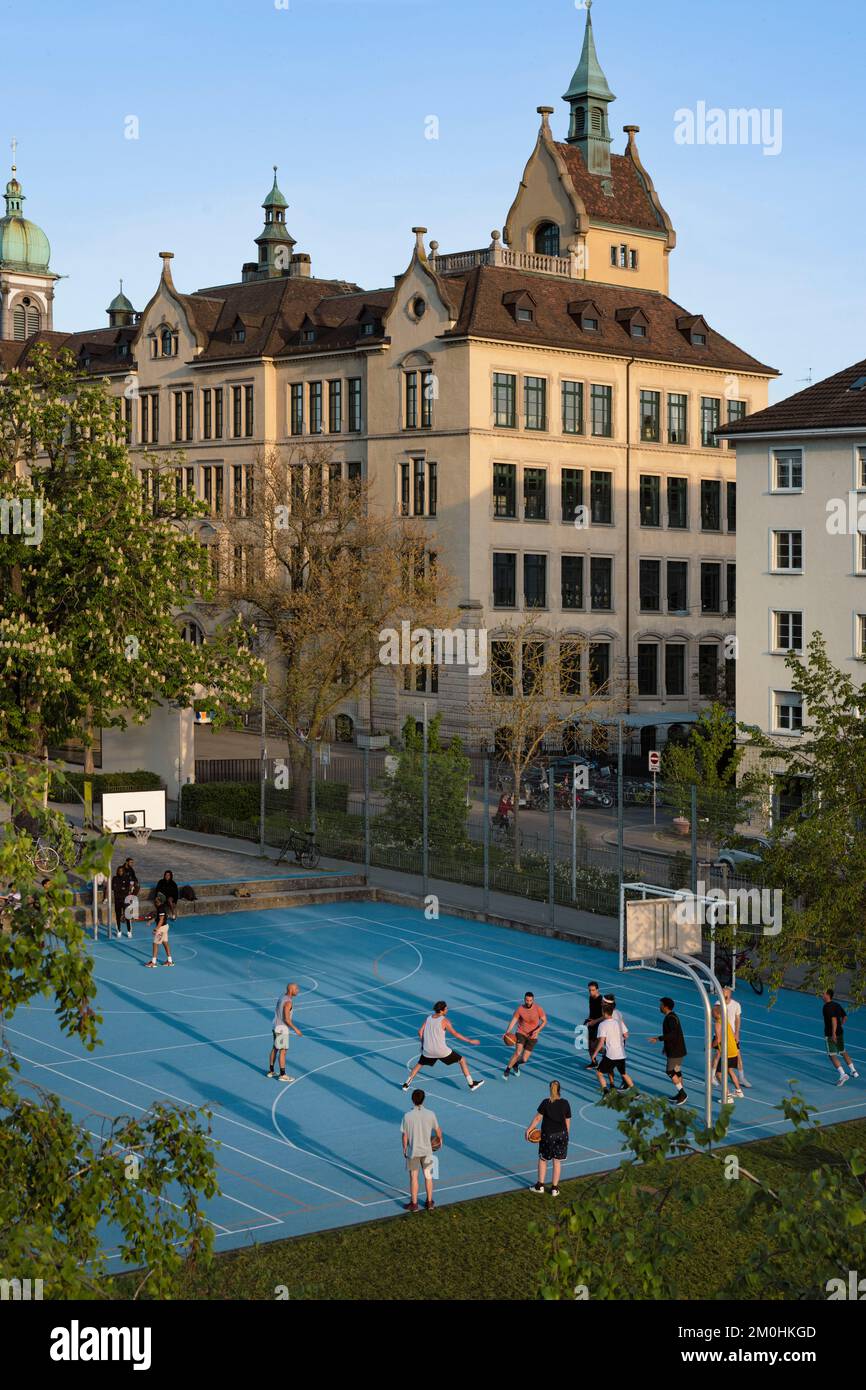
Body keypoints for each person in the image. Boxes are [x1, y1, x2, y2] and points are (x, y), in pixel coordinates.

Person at [402, 1001, 485, 1091]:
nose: (447, 1010)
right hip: (441, 1051)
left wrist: (423, 1044)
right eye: (446, 1008)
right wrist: (469, 1040)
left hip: (428, 1050)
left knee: (419, 1064)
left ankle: (406, 1084)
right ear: (442, 1010)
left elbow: (420, 1032)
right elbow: (455, 1034)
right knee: (462, 1060)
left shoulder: (428, 1018)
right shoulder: (445, 1021)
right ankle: (471, 1084)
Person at [401, 1088, 442, 1212]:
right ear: (423, 1099)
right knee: (428, 1176)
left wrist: (404, 1148)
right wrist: (440, 1140)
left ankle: (414, 1204)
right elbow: (438, 1130)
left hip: (413, 1151)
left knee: (414, 1177)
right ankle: (429, 1202)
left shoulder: (407, 1116)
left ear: (412, 1100)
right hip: (428, 1150)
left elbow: (405, 1135)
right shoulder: (431, 1114)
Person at [528, 1080, 571, 1197]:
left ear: (549, 1089)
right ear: (560, 1090)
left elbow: (537, 1119)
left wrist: (528, 1130)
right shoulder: (565, 1103)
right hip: (562, 1134)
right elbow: (567, 1122)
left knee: (543, 1159)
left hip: (548, 1136)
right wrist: (566, 1136)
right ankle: (554, 1189)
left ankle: (540, 1186)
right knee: (557, 1161)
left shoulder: (545, 1103)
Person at [649, 997, 688, 1105]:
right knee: (677, 1071)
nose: (659, 1007)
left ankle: (682, 1093)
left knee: (670, 1071)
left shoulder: (670, 1018)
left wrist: (658, 1038)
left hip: (675, 1052)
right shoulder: (672, 1016)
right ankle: (680, 1094)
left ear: (665, 1006)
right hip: (678, 1050)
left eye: (661, 1005)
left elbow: (672, 1034)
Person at [591, 1002, 634, 1095]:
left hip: (611, 1054)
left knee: (599, 1073)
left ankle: (606, 1092)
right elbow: (626, 1035)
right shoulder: (618, 1022)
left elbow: (601, 1041)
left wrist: (594, 1054)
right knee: (624, 1073)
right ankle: (636, 1093)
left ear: (604, 1012)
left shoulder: (603, 1025)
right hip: (621, 1053)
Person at [504, 991, 548, 1078]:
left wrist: (538, 1030)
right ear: (524, 999)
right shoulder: (520, 1009)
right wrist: (507, 1032)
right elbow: (513, 1021)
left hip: (533, 1036)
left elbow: (544, 1021)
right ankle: (507, 1070)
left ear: (533, 1000)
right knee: (518, 1052)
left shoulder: (538, 1009)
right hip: (521, 1032)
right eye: (527, 1000)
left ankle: (515, 1064)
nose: (528, 1002)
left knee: (524, 1059)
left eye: (530, 1000)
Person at [714, 985, 750, 1089]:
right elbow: (716, 1013)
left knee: (738, 1055)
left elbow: (737, 1020)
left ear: (729, 995)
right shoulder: (718, 1004)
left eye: (725, 994)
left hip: (732, 1035)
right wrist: (722, 1003)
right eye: (722, 994)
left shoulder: (736, 1005)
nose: (723, 996)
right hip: (721, 1033)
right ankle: (712, 1075)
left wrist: (737, 1033)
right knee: (717, 1054)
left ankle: (741, 1077)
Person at [822, 989, 859, 1086]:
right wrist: (840, 1026)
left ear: (827, 995)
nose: (822, 995)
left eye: (823, 994)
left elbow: (833, 1019)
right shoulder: (837, 1005)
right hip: (840, 1032)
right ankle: (853, 1071)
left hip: (831, 1034)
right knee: (843, 1051)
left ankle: (842, 1074)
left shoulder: (827, 1007)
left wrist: (833, 1033)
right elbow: (845, 1017)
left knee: (832, 1055)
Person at [267, 982, 301, 1082]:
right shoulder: (288, 1002)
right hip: (282, 1028)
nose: (298, 990)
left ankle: (271, 1071)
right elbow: (287, 1019)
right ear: (291, 990)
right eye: (296, 989)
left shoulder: (283, 996)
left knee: (275, 1048)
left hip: (275, 1025)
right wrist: (296, 1029)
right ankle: (282, 1075)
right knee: (283, 1051)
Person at [712, 1002, 743, 1100]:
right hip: (733, 1050)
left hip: (727, 1052)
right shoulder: (725, 1021)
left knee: (719, 1074)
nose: (711, 1014)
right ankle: (739, 1091)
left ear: (717, 1014)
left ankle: (727, 1096)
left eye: (712, 1012)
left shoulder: (718, 1023)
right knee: (730, 1070)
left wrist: (710, 1046)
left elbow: (718, 1039)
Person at [145, 892, 174, 968]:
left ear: (160, 901)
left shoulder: (161, 908)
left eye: (157, 899)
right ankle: (170, 961)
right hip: (165, 927)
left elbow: (161, 920)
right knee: (165, 942)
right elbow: (158, 918)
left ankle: (153, 962)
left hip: (161, 928)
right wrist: (151, 921)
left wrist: (156, 929)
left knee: (155, 943)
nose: (155, 900)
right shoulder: (160, 907)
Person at [584, 981, 603, 1070]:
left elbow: (604, 1016)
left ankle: (605, 1052)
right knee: (588, 1045)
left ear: (597, 990)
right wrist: (588, 1019)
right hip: (591, 1023)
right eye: (589, 990)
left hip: (599, 1024)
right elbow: (592, 1011)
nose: (591, 992)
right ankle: (594, 1062)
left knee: (594, 1045)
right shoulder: (591, 998)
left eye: (593, 990)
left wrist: (594, 1021)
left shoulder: (601, 1000)